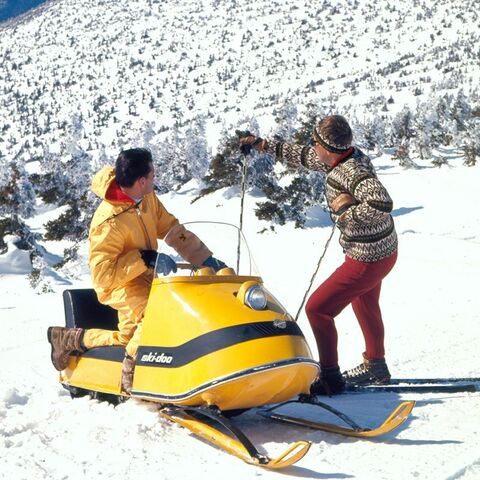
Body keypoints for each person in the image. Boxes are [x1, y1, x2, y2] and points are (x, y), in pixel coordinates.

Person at [238, 115, 398, 395]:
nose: (312, 145)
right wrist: (261, 144)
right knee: (365, 303)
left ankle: (331, 377)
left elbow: (381, 202)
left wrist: (347, 216)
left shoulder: (350, 171)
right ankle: (376, 364)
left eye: (316, 142)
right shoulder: (339, 157)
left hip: (367, 258)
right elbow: (301, 155)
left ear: (328, 147)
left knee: (318, 309)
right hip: (382, 250)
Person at [47, 148, 225, 393]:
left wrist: (205, 258)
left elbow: (172, 230)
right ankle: (133, 373)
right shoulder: (108, 222)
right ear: (141, 181)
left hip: (144, 277)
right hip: (119, 285)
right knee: (155, 316)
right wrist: (144, 258)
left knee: (127, 339)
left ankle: (68, 338)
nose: (155, 179)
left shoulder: (147, 198)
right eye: (152, 175)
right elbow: (103, 276)